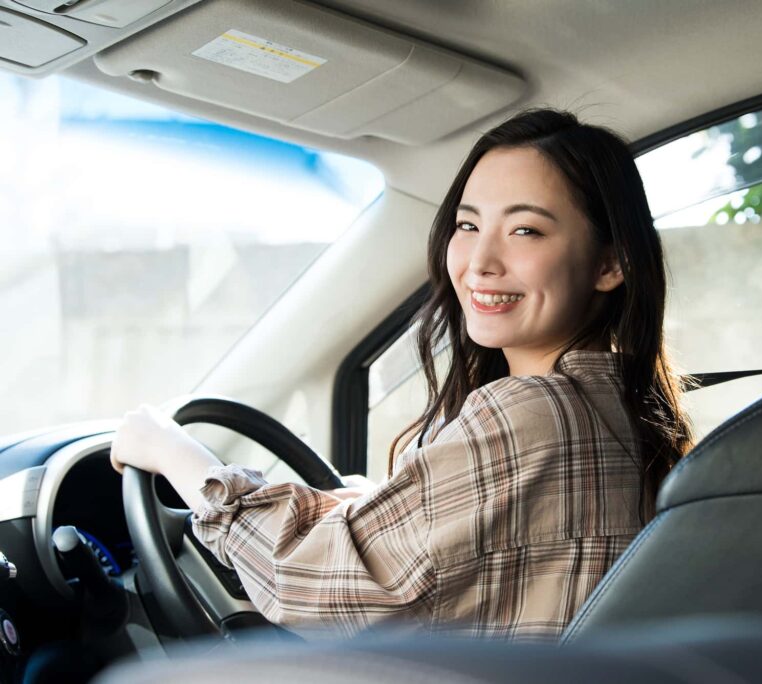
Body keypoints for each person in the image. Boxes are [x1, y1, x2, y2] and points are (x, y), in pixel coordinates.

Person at [110, 108, 694, 641]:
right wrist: (380, 505)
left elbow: (304, 582)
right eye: (468, 226)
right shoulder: (620, 408)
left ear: (610, 263)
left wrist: (173, 452)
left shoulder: (530, 413)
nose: (479, 262)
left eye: (525, 231)